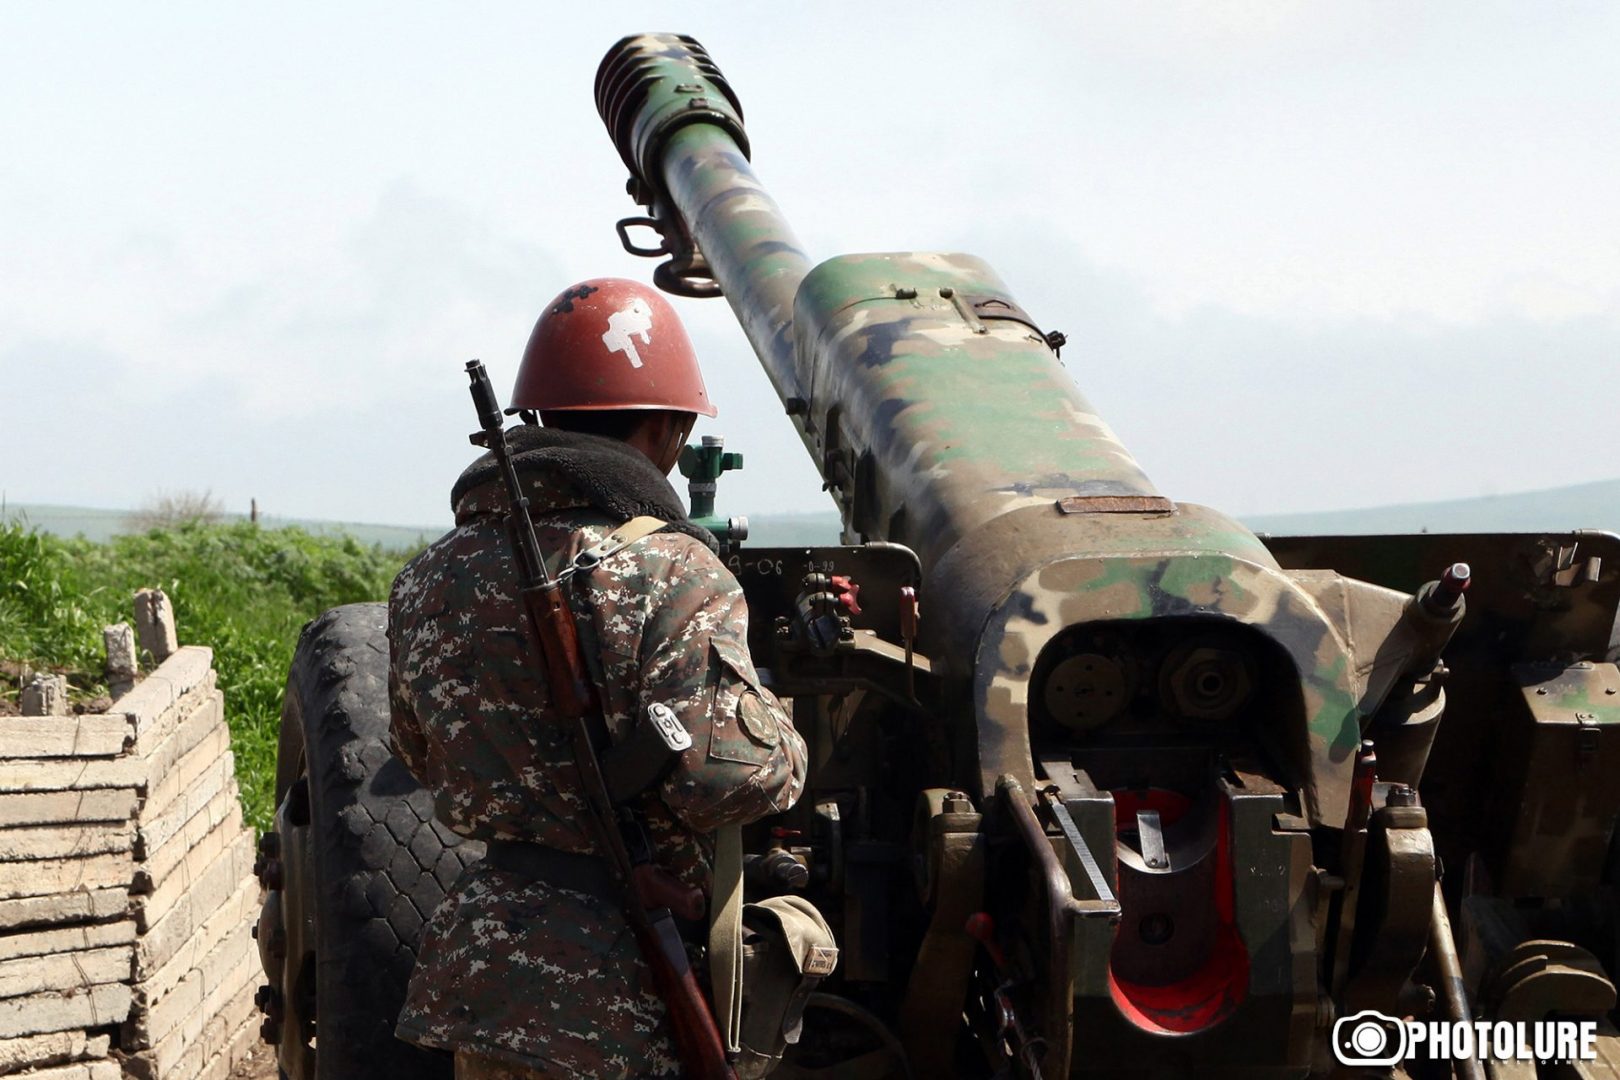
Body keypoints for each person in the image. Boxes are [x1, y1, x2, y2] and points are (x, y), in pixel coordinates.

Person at [388, 278, 808, 1079]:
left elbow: (419, 755)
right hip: (627, 987)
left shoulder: (426, 580)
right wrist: (782, 738)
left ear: (534, 421)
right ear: (671, 430)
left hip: (491, 977)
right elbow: (721, 782)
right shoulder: (677, 572)